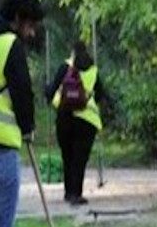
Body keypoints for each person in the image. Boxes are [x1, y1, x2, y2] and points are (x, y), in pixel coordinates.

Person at [0, 0, 44, 227]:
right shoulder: (8, 45)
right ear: (18, 19)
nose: (30, 33)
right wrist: (28, 128)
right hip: (2, 153)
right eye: (30, 26)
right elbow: (23, 93)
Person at [45, 40, 110, 205]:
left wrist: (47, 91)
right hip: (86, 120)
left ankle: (68, 193)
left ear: (72, 52)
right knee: (79, 158)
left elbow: (51, 91)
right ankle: (76, 193)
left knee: (67, 156)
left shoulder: (64, 67)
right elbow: (101, 94)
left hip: (64, 117)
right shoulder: (93, 71)